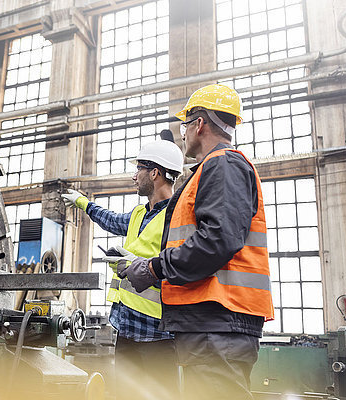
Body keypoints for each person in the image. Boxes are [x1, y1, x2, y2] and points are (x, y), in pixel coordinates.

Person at [119, 84, 274, 400]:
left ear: (199, 124)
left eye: (185, 124)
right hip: (210, 322)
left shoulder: (225, 164)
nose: (183, 132)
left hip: (220, 320)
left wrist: (152, 268)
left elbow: (216, 240)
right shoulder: (209, 170)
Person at [61, 137, 184, 400]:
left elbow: (183, 269)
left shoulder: (178, 217)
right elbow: (111, 220)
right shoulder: (139, 214)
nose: (133, 176)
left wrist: (138, 268)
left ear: (155, 173)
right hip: (126, 329)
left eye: (138, 168)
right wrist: (83, 203)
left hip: (159, 335)